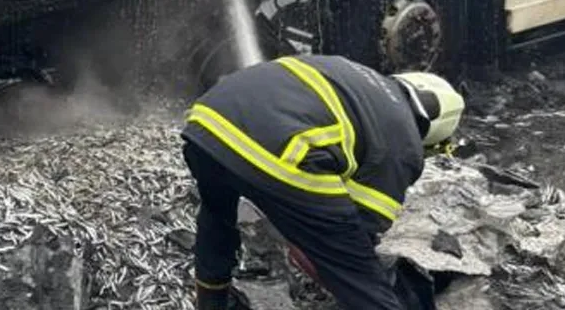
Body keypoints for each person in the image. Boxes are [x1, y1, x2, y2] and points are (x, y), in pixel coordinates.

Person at [181, 53, 465, 310]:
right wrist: (323, 256)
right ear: (432, 133)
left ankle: (210, 303)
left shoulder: (353, 74)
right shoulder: (405, 143)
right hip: (285, 153)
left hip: (206, 124)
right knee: (362, 281)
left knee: (216, 218)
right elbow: (355, 234)